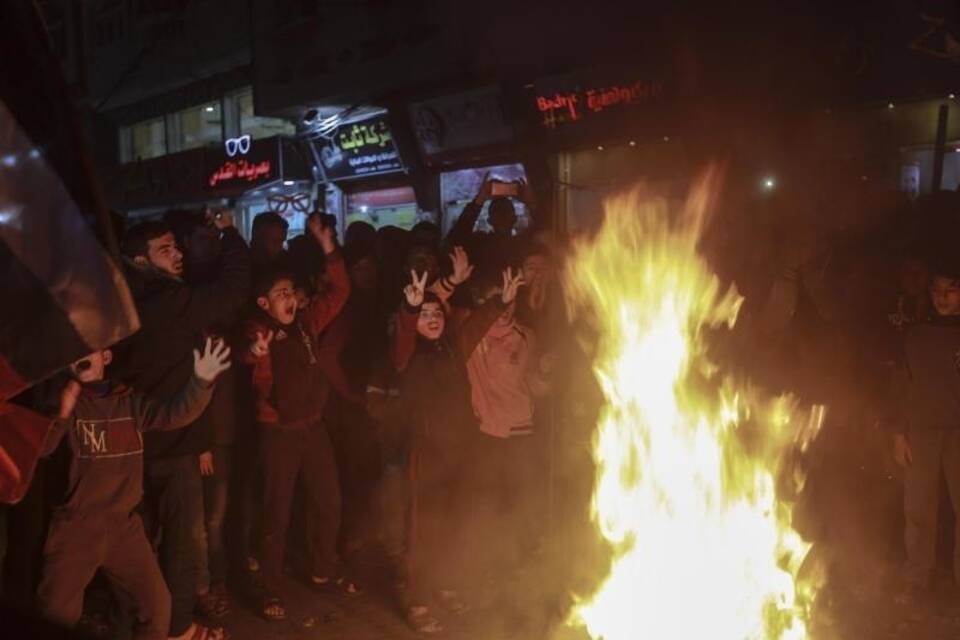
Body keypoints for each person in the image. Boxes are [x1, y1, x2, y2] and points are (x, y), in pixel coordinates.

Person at [36, 339, 231, 640]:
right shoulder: (65, 402)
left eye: (88, 350)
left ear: (106, 356)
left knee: (157, 606)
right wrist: (61, 413)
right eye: (74, 353)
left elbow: (174, 414)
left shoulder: (129, 402)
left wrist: (200, 382)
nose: (81, 358)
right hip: (76, 528)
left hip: (123, 527)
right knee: (57, 613)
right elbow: (42, 448)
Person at [114, 210, 249, 640]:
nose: (178, 256)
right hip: (172, 444)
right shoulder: (167, 302)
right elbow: (232, 291)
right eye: (165, 249)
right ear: (139, 260)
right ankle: (178, 629)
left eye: (177, 246)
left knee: (139, 545)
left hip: (133, 442)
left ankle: (145, 624)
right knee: (178, 544)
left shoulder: (120, 303)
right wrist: (231, 234)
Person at [392, 265, 524, 634]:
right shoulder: (406, 354)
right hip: (427, 451)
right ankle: (417, 599)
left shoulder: (453, 345)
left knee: (454, 520)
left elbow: (476, 325)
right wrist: (409, 307)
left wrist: (504, 300)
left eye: (437, 313)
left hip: (461, 448)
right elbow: (403, 333)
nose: (431, 318)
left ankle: (444, 584)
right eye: (424, 314)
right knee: (422, 529)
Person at [242, 215, 354, 621]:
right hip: (279, 435)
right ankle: (270, 588)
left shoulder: (306, 323)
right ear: (263, 303)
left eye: (292, 291)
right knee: (278, 513)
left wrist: (328, 245)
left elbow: (340, 290)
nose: (290, 298)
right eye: (280, 293)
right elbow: (251, 362)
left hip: (314, 428)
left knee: (329, 501)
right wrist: (257, 353)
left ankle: (324, 569)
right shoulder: (259, 332)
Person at [892, 258, 960, 602]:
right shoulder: (917, 332)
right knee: (918, 510)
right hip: (921, 430)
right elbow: (903, 384)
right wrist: (899, 432)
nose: (942, 297)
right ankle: (917, 579)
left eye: (951, 290)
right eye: (937, 291)